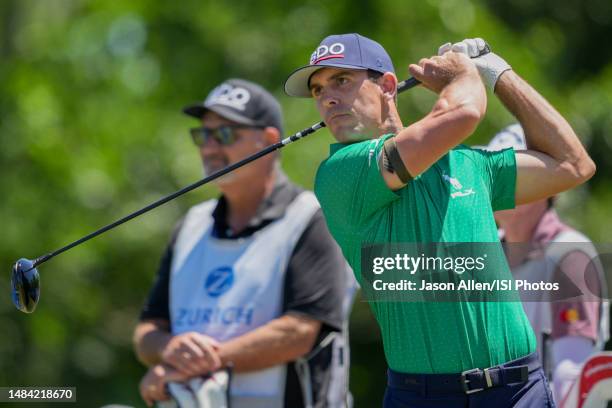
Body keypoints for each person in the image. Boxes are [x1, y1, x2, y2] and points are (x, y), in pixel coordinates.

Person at [284, 33, 596, 407]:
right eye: (318, 90)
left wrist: (498, 73)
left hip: (519, 389)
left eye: (341, 81)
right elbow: (462, 113)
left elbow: (573, 165)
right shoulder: (339, 173)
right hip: (424, 396)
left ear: (386, 85)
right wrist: (463, 72)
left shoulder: (468, 163)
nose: (328, 97)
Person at [133, 78, 355, 408]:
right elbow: (148, 330)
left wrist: (193, 364)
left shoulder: (312, 218)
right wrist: (167, 348)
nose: (209, 148)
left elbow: (300, 331)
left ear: (268, 140)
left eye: (224, 135)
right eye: (203, 135)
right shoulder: (190, 225)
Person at [485, 124, 609, 405]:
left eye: (509, 173)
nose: (493, 183)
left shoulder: (570, 254)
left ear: (544, 184)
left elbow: (571, 374)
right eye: (493, 172)